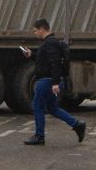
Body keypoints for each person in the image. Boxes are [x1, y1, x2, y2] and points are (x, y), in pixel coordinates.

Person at [21, 18, 86, 146]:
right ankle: (77, 124)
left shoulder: (50, 43)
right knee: (52, 108)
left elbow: (55, 63)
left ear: (42, 29)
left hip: (47, 81)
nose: (35, 33)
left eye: (35, 31)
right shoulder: (49, 42)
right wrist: (31, 54)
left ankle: (39, 136)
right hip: (50, 80)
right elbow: (45, 61)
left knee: (37, 106)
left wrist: (55, 83)